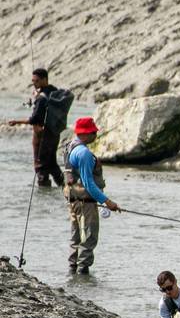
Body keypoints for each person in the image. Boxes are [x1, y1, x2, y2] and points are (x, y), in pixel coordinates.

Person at [61, 116, 121, 273]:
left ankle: (72, 268)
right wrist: (107, 201)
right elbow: (88, 183)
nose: (95, 135)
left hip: (72, 199)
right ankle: (83, 271)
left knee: (75, 235)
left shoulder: (70, 146)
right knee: (89, 236)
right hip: (85, 200)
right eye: (93, 132)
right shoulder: (84, 154)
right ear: (86, 134)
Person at [6, 68, 65, 187]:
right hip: (54, 134)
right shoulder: (55, 92)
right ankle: (66, 187)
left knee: (40, 166)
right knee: (52, 163)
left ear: (44, 79)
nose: (34, 83)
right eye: (33, 81)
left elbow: (34, 119)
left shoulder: (41, 98)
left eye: (36, 81)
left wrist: (16, 121)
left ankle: (43, 191)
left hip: (41, 136)